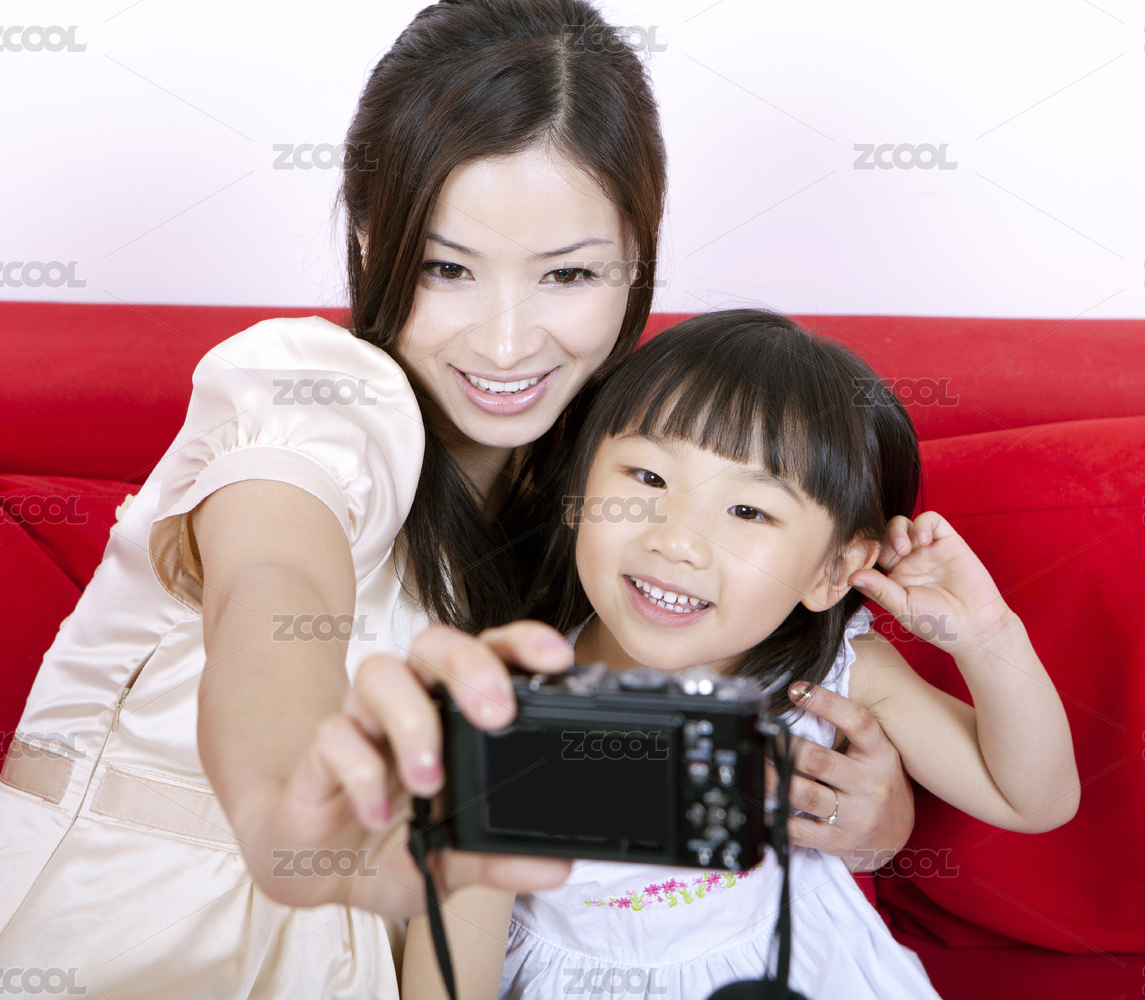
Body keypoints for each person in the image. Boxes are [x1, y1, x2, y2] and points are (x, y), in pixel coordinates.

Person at [0, 5, 915, 999]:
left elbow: (586, 785)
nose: (505, 343)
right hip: (127, 930)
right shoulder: (318, 393)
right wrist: (275, 797)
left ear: (637, 258)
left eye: (568, 276)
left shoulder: (624, 492)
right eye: (446, 268)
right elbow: (274, 582)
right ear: (374, 242)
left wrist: (852, 815)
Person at [401, 311, 1082, 1000]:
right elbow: (451, 965)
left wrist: (988, 637)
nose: (677, 541)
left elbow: (1033, 800)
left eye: (749, 512)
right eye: (648, 477)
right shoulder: (502, 704)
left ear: (834, 571)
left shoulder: (832, 677)